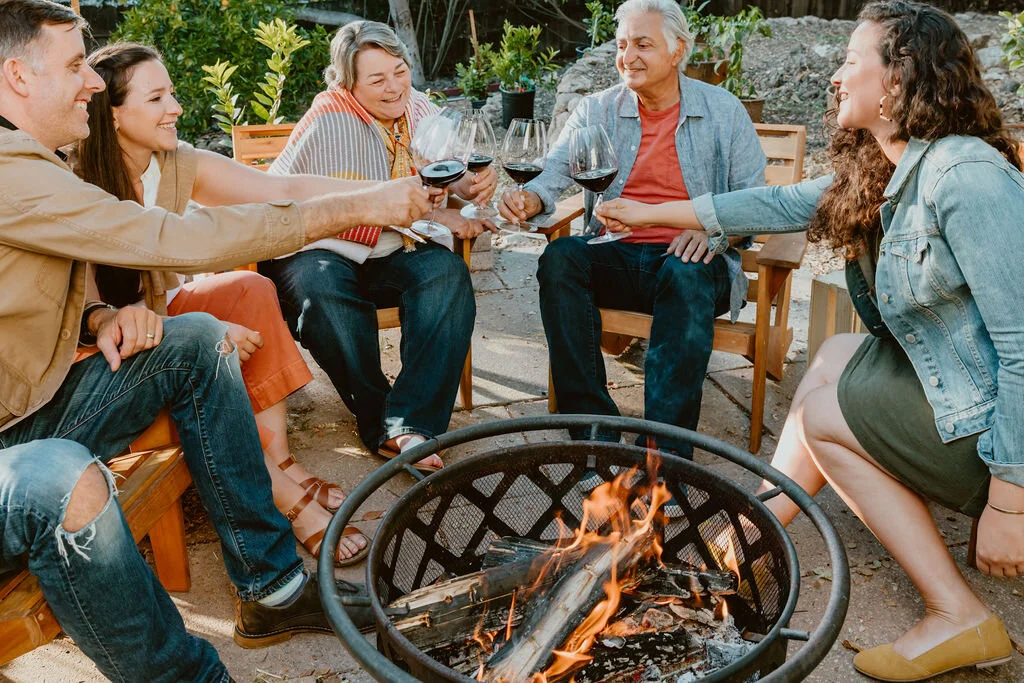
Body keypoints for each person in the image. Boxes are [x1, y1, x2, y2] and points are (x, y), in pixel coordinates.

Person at [0, 1, 435, 679]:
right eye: (76, 65)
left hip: (34, 407)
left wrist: (95, 317)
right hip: (16, 450)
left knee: (200, 339)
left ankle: (272, 588)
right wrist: (359, 204)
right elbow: (172, 238)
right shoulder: (12, 169)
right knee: (63, 475)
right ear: (17, 78)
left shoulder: (43, 160)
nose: (91, 78)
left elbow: (55, 279)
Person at [596, 2, 1020, 679]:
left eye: (852, 60)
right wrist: (649, 212)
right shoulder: (888, 165)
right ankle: (754, 532)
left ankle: (958, 612)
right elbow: (775, 205)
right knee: (830, 359)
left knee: (824, 417)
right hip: (961, 385)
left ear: (901, 77)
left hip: (996, 431)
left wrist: (1010, 500)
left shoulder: (964, 177)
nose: (835, 75)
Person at [76, 42, 378, 566]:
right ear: (114, 113)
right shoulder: (75, 179)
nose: (175, 108)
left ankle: (280, 462)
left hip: (165, 310)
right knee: (204, 339)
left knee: (252, 289)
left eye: (171, 93)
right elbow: (86, 311)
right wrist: (202, 330)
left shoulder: (174, 160)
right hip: (101, 338)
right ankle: (289, 502)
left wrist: (379, 194)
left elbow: (277, 189)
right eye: (157, 98)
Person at [498, 0, 765, 457]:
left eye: (643, 44)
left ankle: (664, 453)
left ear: (678, 50)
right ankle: (593, 430)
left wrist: (714, 230)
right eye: (622, 44)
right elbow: (555, 170)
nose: (628, 56)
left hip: (693, 267)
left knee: (686, 270)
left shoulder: (724, 111)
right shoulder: (597, 109)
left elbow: (752, 202)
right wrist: (531, 197)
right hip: (618, 255)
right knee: (561, 258)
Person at [263, 20, 497, 471]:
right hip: (322, 247)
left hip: (394, 247)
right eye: (377, 79)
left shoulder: (421, 108)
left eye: (400, 70)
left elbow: (447, 172)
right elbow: (288, 195)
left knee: (446, 275)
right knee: (324, 296)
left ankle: (414, 423)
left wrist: (472, 185)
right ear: (348, 84)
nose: (394, 88)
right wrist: (435, 213)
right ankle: (382, 421)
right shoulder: (328, 119)